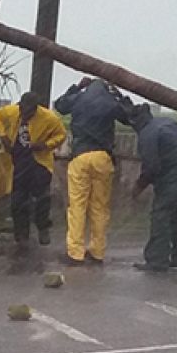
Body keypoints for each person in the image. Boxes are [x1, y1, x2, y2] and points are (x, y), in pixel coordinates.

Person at [53, 77, 130, 266]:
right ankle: (97, 251)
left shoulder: (79, 98)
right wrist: (117, 94)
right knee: (100, 207)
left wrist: (76, 87)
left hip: (80, 157)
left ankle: (75, 252)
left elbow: (60, 105)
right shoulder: (110, 101)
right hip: (103, 158)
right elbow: (129, 116)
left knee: (77, 206)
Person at [127, 104, 177, 273]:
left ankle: (157, 260)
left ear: (134, 123)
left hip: (174, 180)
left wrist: (138, 186)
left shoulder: (147, 134)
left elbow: (151, 167)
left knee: (161, 216)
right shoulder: (168, 122)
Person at [0, 92, 67, 250]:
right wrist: (3, 136)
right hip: (18, 160)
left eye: (29, 112)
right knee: (18, 199)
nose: (25, 114)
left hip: (39, 161)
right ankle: (21, 234)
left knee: (41, 198)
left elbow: (61, 135)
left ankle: (42, 227)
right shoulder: (11, 112)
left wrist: (45, 145)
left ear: (36, 109)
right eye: (23, 110)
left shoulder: (49, 118)